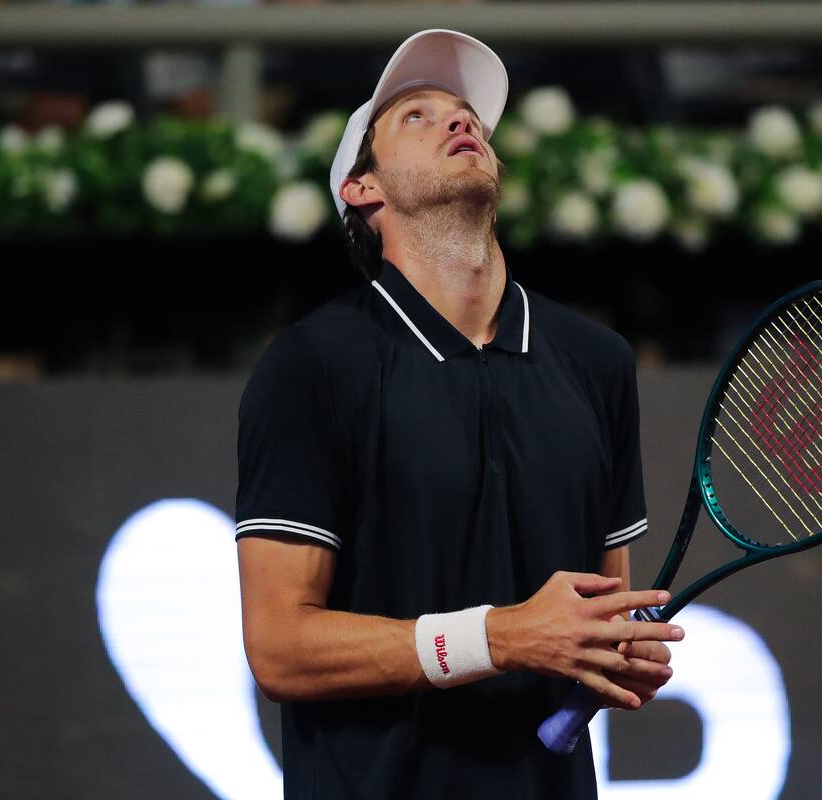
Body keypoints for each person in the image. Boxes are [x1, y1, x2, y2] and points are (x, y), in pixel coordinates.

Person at [234, 29, 683, 800]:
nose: (459, 121)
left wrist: (616, 656)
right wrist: (497, 638)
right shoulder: (310, 367)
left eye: (467, 114)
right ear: (362, 190)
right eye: (417, 116)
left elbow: (597, 614)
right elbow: (280, 648)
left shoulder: (597, 363)